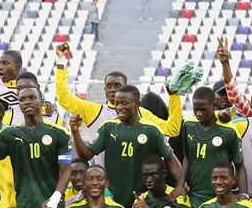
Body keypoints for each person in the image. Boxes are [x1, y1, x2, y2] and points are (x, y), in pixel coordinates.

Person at [71, 85, 184, 208]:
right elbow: (85, 155)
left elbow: (171, 159)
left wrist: (181, 185)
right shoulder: (108, 128)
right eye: (117, 103)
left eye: (124, 103)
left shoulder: (152, 130)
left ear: (138, 104)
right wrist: (75, 131)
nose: (119, 107)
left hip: (144, 202)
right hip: (113, 203)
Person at [54, 43, 183, 153]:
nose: (113, 89)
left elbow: (172, 129)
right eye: (109, 86)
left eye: (117, 85)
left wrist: (174, 96)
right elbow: (64, 98)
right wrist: (60, 61)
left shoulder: (141, 114)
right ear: (104, 89)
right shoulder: (94, 111)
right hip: (101, 179)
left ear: (125, 88)